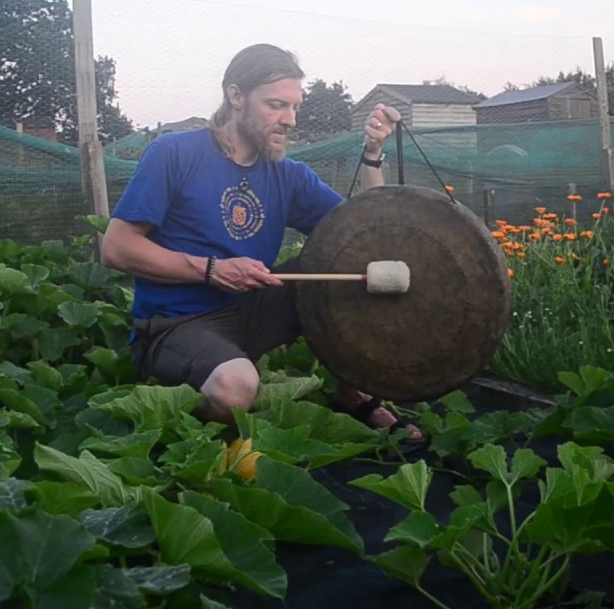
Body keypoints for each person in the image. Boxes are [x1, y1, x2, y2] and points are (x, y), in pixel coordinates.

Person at [101, 43, 422, 442]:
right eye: (275, 105)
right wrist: (212, 270)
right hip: (176, 324)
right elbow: (116, 248)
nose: (289, 120)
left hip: (251, 311)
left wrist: (373, 156)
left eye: (294, 107)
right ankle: (201, 425)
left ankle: (353, 392)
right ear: (236, 96)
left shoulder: (288, 174)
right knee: (236, 389)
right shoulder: (174, 153)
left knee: (348, 273)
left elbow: (362, 236)